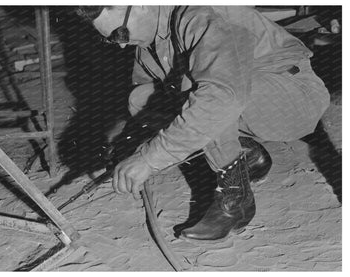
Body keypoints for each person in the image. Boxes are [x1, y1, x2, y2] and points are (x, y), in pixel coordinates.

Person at [75, 6, 330, 240]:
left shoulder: (201, 13)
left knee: (201, 93)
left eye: (120, 33)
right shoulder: (150, 45)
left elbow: (218, 97)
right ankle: (247, 155)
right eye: (111, 39)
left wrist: (149, 159)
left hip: (292, 97)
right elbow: (147, 103)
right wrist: (124, 147)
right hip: (244, 98)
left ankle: (236, 199)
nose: (121, 46)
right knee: (140, 98)